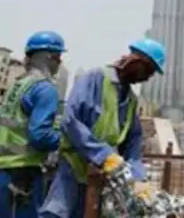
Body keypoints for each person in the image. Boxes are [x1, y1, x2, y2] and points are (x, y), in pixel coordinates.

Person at [40, 38, 166, 218]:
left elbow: (133, 143)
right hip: (73, 167)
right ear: (136, 62)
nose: (147, 78)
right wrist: (103, 155)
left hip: (101, 176)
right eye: (148, 71)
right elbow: (71, 121)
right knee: (58, 213)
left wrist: (139, 178)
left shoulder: (130, 100)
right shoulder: (95, 78)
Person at [0, 31, 64, 218]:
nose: (60, 62)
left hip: (0, 169)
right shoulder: (45, 89)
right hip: (23, 173)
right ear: (48, 57)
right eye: (58, 57)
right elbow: (40, 136)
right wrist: (66, 140)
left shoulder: (18, 84)